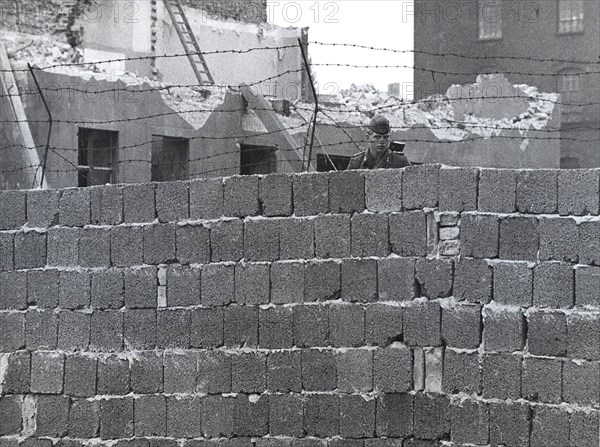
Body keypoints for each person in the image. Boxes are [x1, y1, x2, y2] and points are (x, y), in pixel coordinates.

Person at [346, 114, 410, 170]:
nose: (382, 141)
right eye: (377, 137)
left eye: (385, 137)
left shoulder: (400, 162)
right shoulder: (356, 162)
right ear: (368, 137)